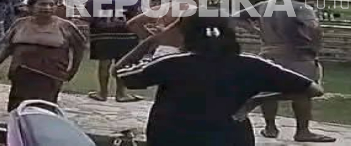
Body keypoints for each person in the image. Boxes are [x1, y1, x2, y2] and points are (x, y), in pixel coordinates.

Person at [115, 13, 325, 146]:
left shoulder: (171, 64)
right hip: (231, 138)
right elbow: (313, 89)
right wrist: (256, 100)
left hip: (171, 137)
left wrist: (152, 40)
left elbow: (121, 73)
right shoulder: (253, 65)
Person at [236, 0, 335, 143]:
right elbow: (314, 28)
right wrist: (315, 48)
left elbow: (238, 17)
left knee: (268, 89)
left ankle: (270, 127)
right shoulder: (301, 7)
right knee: (303, 91)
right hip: (297, 54)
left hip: (269, 53)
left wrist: (256, 31)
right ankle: (303, 131)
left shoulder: (264, 5)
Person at [0, 0, 86, 112]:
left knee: (43, 108)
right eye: (42, 4)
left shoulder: (66, 26)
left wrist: (72, 70)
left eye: (51, 5)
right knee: (19, 107)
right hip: (21, 73)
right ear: (31, 7)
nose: (47, 8)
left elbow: (79, 48)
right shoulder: (20, 24)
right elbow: (7, 46)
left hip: (50, 75)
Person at [85, 0, 142, 103]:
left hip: (102, 36)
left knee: (104, 64)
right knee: (123, 64)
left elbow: (87, 19)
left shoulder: (93, 2)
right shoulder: (130, 0)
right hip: (126, 36)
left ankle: (102, 93)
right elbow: (136, 19)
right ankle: (121, 94)